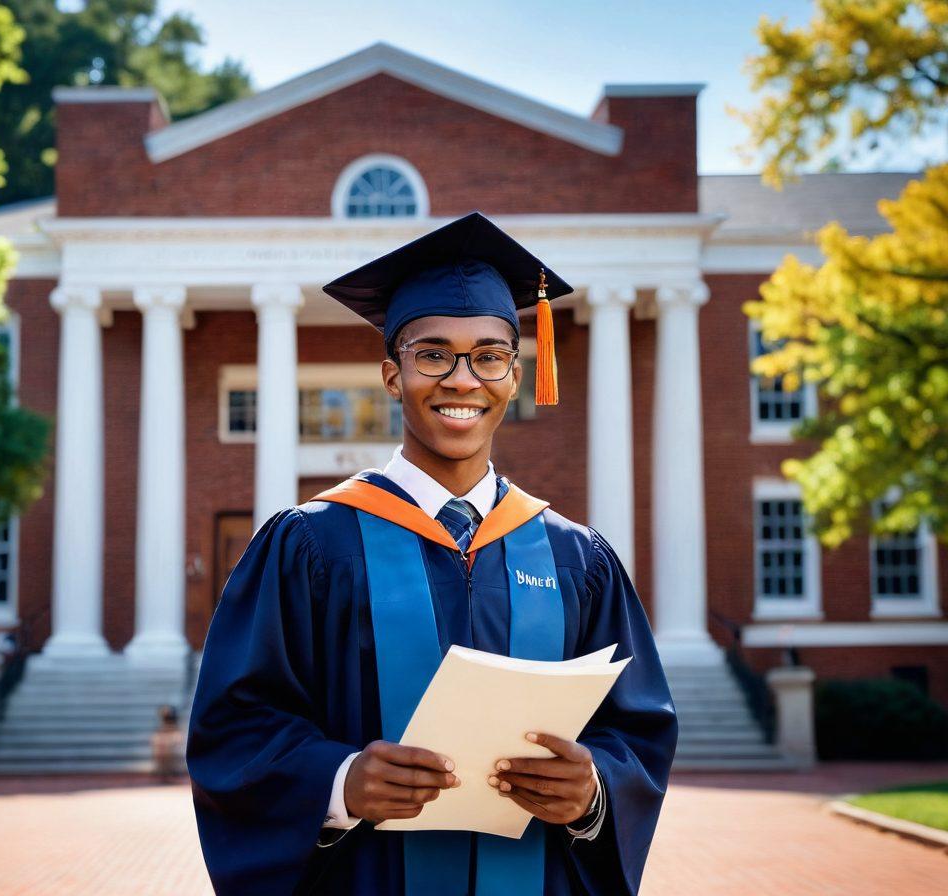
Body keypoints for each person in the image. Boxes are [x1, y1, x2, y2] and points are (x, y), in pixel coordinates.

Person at [187, 212, 678, 895]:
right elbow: (234, 729)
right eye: (433, 354)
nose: (462, 379)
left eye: (489, 356)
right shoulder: (311, 544)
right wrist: (338, 783)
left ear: (514, 373)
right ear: (392, 375)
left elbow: (638, 728)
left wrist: (594, 790)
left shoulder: (576, 557)